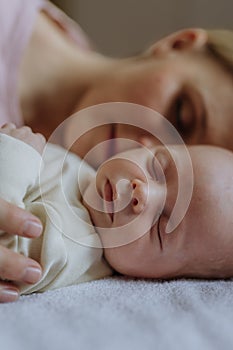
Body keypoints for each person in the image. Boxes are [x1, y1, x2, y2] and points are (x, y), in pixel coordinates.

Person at [0, 0, 233, 300]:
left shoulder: (69, 233)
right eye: (181, 115)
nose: (143, 146)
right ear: (179, 43)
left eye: (168, 224)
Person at [1, 124, 233, 296]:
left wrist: (15, 156)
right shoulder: (82, 172)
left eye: (161, 228)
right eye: (157, 168)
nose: (141, 193)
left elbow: (9, 254)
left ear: (161, 277)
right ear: (146, 146)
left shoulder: (76, 247)